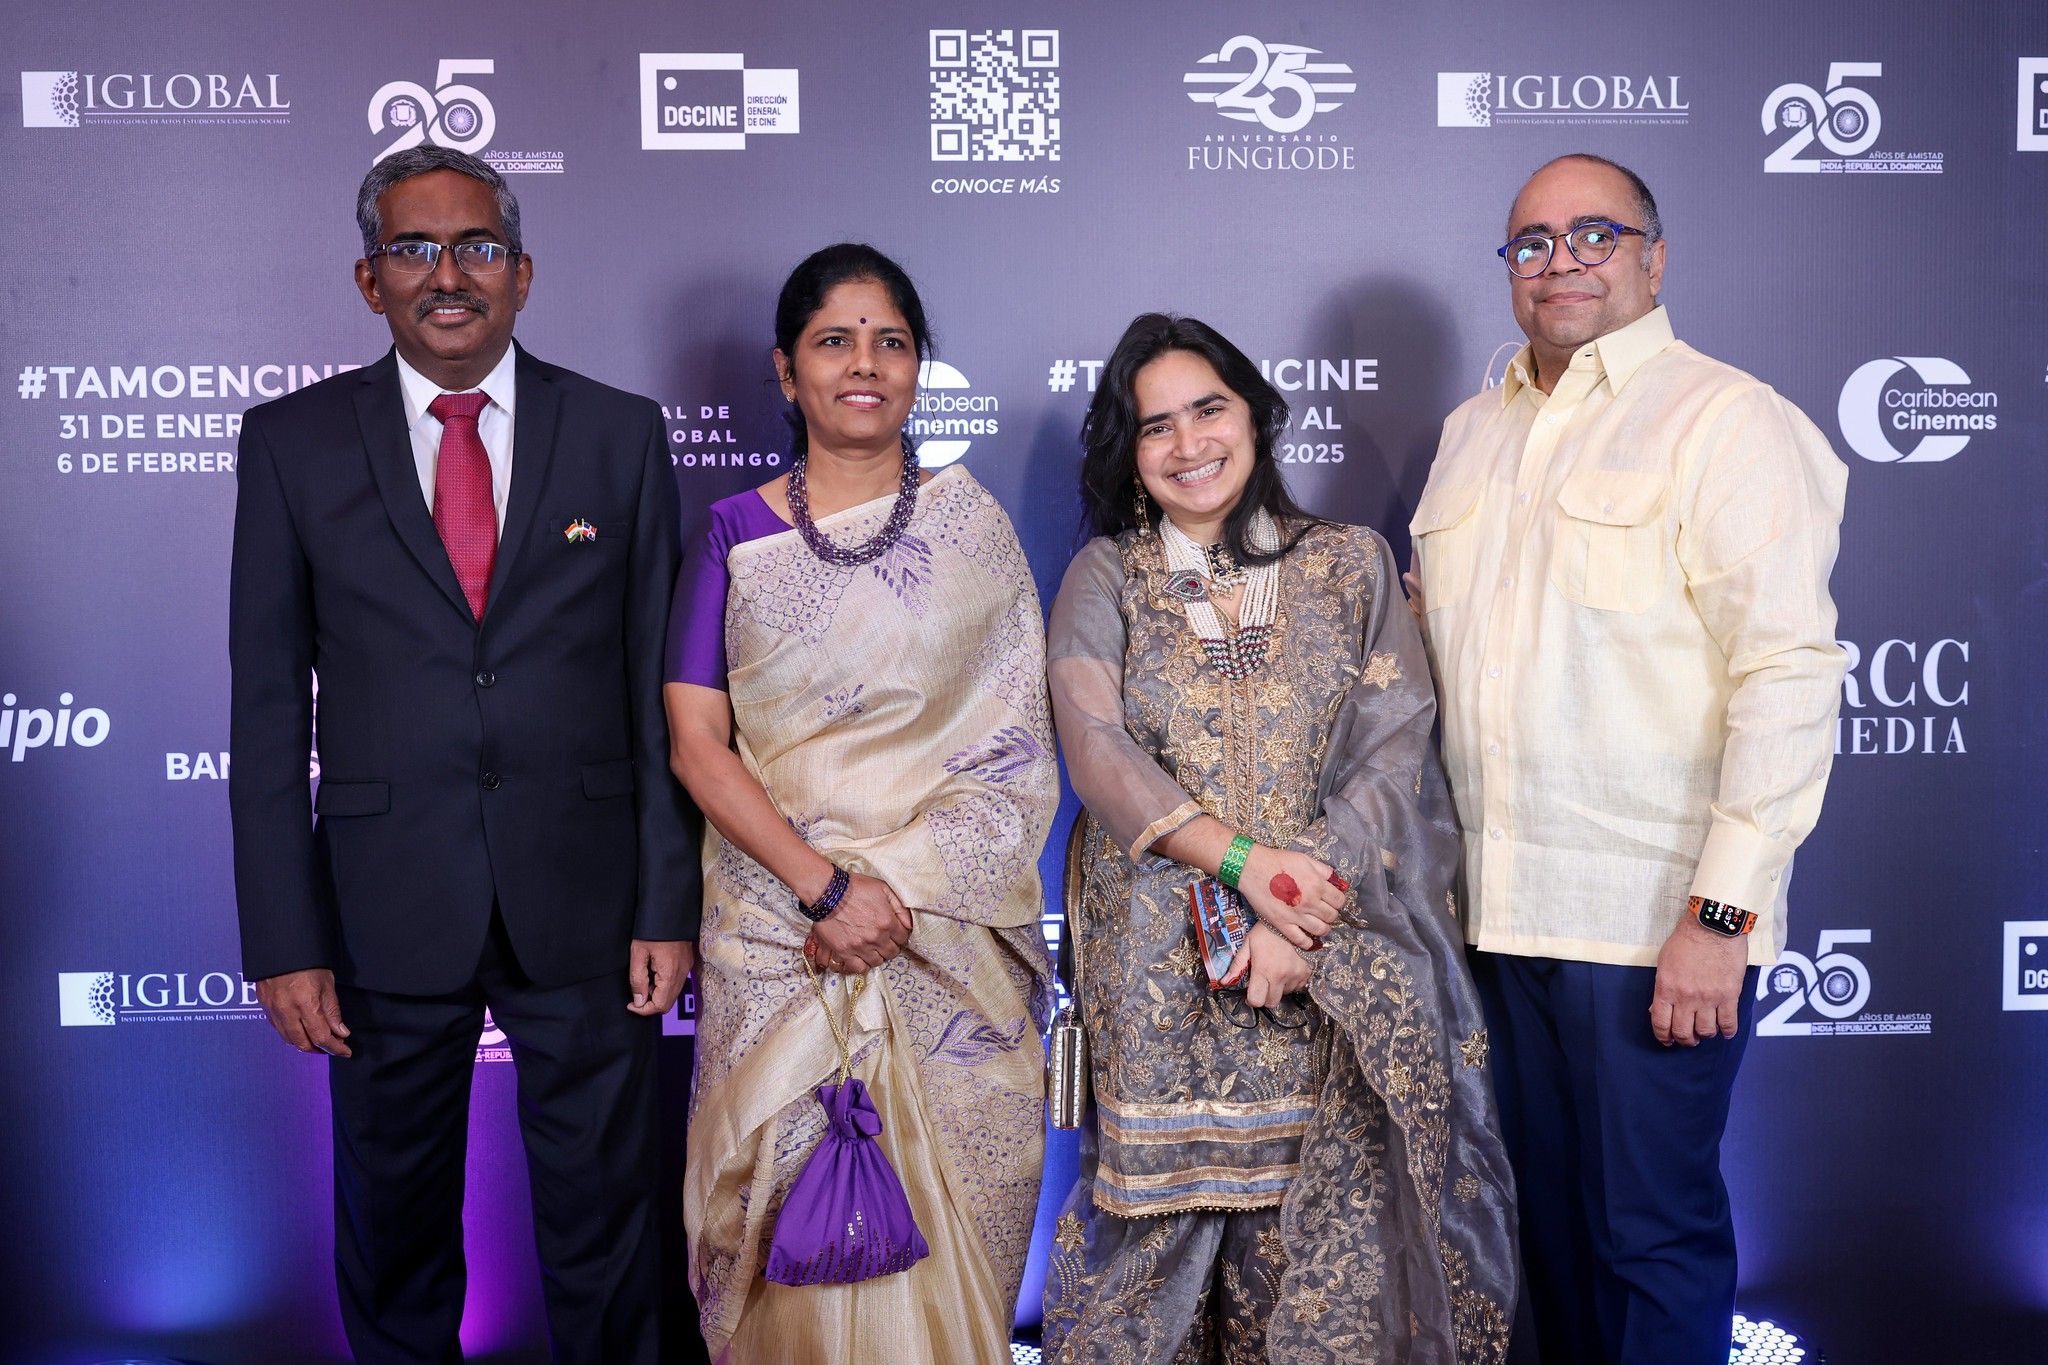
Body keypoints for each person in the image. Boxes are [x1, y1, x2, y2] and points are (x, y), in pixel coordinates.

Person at [228, 146, 695, 1364]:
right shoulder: (290, 443)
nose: (449, 274)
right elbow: (269, 708)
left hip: (589, 904)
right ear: (366, 277)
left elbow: (661, 695)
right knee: (393, 1229)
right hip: (383, 904)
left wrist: (665, 899)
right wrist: (285, 937)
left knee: (610, 1229)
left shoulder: (620, 433)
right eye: (413, 248)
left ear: (524, 274)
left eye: (477, 246)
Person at [1407, 154, 1848, 1365]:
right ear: (1508, 272)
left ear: (1654, 257)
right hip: (1493, 924)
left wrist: (1719, 914)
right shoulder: (1468, 433)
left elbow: (1789, 675)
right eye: (1531, 242)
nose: (1561, 261)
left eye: (1593, 233)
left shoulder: (1725, 419)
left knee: (1647, 1239)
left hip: (1649, 927)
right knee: (1540, 1243)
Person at [1042, 313, 1516, 1363]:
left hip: (1318, 969)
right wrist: (1250, 867)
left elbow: (1394, 750)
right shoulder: (1105, 578)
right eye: (1152, 425)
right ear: (1128, 452)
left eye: (1207, 409)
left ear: (1255, 414)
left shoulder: (1350, 566)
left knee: (1298, 1270)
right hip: (1158, 978)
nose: (1186, 443)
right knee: (1139, 1274)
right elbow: (1097, 750)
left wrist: (1298, 914)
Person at [667, 243, 1056, 1364]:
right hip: (785, 933)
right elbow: (698, 742)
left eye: (891, 341)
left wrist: (902, 890)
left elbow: (1014, 746)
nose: (864, 364)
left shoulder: (968, 527)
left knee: (958, 1230)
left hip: (946, 941)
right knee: (780, 1222)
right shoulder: (735, 533)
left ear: (918, 369)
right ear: (786, 373)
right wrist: (827, 887)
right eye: (834, 341)